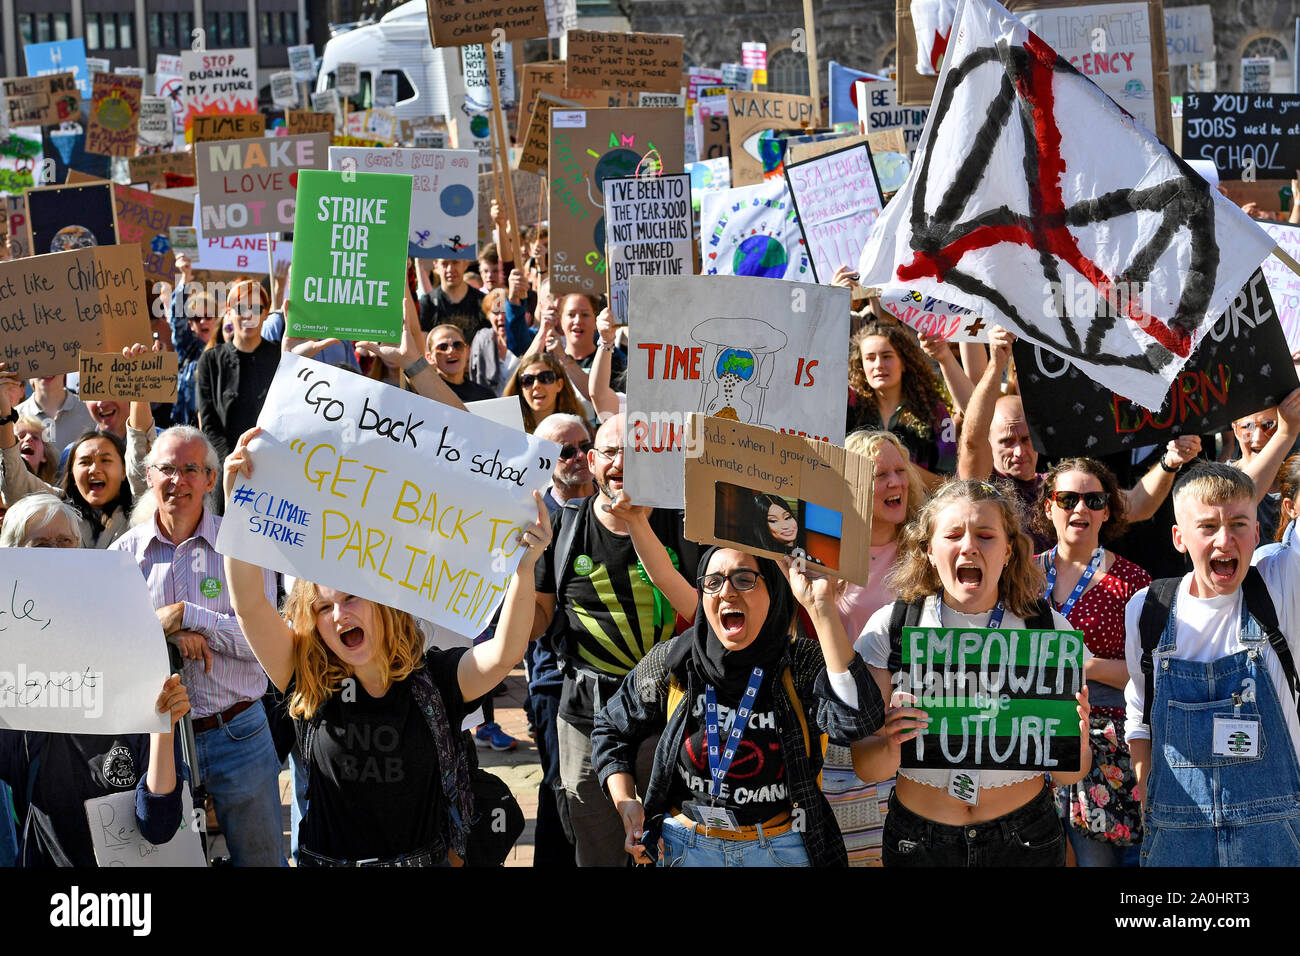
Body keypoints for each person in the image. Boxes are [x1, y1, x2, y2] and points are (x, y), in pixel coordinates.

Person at [222, 426, 552, 866]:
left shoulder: (435, 678)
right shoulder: (305, 679)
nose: (339, 615)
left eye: (351, 598)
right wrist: (238, 505)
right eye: (323, 608)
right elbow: (248, 604)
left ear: (384, 605)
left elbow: (506, 653)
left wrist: (523, 570)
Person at [592, 547, 885, 866]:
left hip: (780, 850)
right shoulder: (675, 661)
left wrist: (820, 607)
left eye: (744, 579)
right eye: (713, 582)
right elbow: (610, 730)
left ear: (773, 590)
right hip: (684, 848)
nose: (727, 591)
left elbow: (859, 721)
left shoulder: (800, 663)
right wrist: (625, 802)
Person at [853, 478, 1092, 866]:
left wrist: (1078, 743)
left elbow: (1069, 775)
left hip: (1024, 841)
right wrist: (891, 743)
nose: (968, 546)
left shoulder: (1048, 632)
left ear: (1009, 551)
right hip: (921, 843)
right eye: (952, 535)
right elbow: (866, 767)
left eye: (985, 535)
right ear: (929, 550)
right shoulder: (892, 628)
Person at [111, 423, 286, 866]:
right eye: (167, 468)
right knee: (162, 862)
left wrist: (191, 616)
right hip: (157, 741)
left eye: (192, 469)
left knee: (261, 860)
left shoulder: (244, 546)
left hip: (239, 732)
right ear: (148, 475)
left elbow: (263, 643)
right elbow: (111, 648)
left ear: (211, 479)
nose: (178, 480)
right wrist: (167, 631)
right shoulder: (122, 554)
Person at [531, 413, 700, 866]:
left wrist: (640, 523)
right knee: (597, 846)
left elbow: (700, 613)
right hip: (585, 714)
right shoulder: (564, 529)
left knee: (671, 846)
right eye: (611, 452)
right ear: (592, 461)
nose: (622, 462)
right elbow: (537, 620)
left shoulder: (679, 524)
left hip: (667, 714)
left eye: (636, 451)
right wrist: (513, 570)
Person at [0, 492, 190, 867]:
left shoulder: (132, 646)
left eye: (65, 542)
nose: (56, 555)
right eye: (39, 546)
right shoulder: (13, 674)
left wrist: (163, 730)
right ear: (12, 559)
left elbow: (159, 824)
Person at [1125, 463, 1300, 866]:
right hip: (1177, 838)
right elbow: (1139, 710)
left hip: (1275, 837)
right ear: (1179, 538)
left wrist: (1288, 427)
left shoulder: (1281, 583)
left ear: (1257, 533)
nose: (1225, 540)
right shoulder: (1148, 610)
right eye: (1207, 527)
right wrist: (1146, 792)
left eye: (1239, 524)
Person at [958, 325, 1204, 550]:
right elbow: (971, 442)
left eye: (1026, 440)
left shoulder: (1057, 488)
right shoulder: (982, 486)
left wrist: (1169, 462)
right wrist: (996, 365)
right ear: (990, 443)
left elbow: (1137, 506)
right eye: (1007, 442)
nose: (1020, 452)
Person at [1031, 458, 1152, 866]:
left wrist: (1083, 663)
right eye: (1067, 498)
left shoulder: (1133, 582)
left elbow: (1148, 676)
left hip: (1107, 745)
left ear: (1106, 509)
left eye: (1093, 499)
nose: (1079, 509)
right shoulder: (1018, 576)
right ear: (1048, 507)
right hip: (1031, 739)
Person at [825, 430, 928, 866]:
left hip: (916, 729)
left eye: (900, 471)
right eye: (880, 474)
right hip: (847, 738)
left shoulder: (927, 550)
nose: (896, 483)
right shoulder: (826, 552)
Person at [527, 413, 596, 868]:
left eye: (581, 446)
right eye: (562, 451)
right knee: (561, 786)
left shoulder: (620, 510)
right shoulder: (530, 519)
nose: (575, 458)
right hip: (556, 679)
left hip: (619, 676)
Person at [847, 321, 960, 482]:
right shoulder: (849, 409)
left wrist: (901, 465)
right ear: (860, 366)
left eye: (887, 356)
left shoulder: (934, 412)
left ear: (904, 362)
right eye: (870, 358)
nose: (878, 365)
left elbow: (949, 483)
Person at [195, 280, 281, 468]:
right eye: (241, 308)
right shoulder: (210, 361)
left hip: (273, 467)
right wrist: (233, 461)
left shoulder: (280, 358)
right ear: (229, 312)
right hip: (226, 467)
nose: (249, 315)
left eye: (257, 309)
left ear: (266, 314)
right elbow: (210, 426)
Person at [168, 254, 219, 427]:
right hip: (185, 426)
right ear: (190, 325)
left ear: (216, 319)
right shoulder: (186, 348)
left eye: (208, 316)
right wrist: (185, 277)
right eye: (197, 319)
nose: (203, 321)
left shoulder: (226, 350)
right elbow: (177, 316)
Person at [503, 354, 589, 433]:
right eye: (528, 380)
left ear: (559, 384)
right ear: (521, 389)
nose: (536, 385)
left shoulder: (578, 428)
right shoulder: (508, 430)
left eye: (545, 377)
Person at [15, 374, 94, 450]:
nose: (46, 369)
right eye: (40, 361)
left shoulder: (90, 411)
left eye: (52, 360)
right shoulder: (14, 417)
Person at [416, 257, 486, 340]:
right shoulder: (428, 302)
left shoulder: (483, 301)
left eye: (455, 262)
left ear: (465, 263)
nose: (450, 269)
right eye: (444, 263)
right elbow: (423, 343)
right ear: (436, 266)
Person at [469, 289, 521, 395]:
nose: (501, 317)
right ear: (488, 315)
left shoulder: (525, 339)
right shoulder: (482, 339)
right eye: (496, 312)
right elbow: (475, 378)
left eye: (505, 312)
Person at [426, 324, 495, 403]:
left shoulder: (486, 396)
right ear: (430, 357)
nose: (452, 350)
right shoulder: (424, 393)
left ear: (468, 351)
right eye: (443, 347)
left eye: (458, 345)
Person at [13, 416, 57, 484]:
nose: (29, 437)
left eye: (35, 437)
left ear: (44, 456)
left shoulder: (54, 493)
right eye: (21, 436)